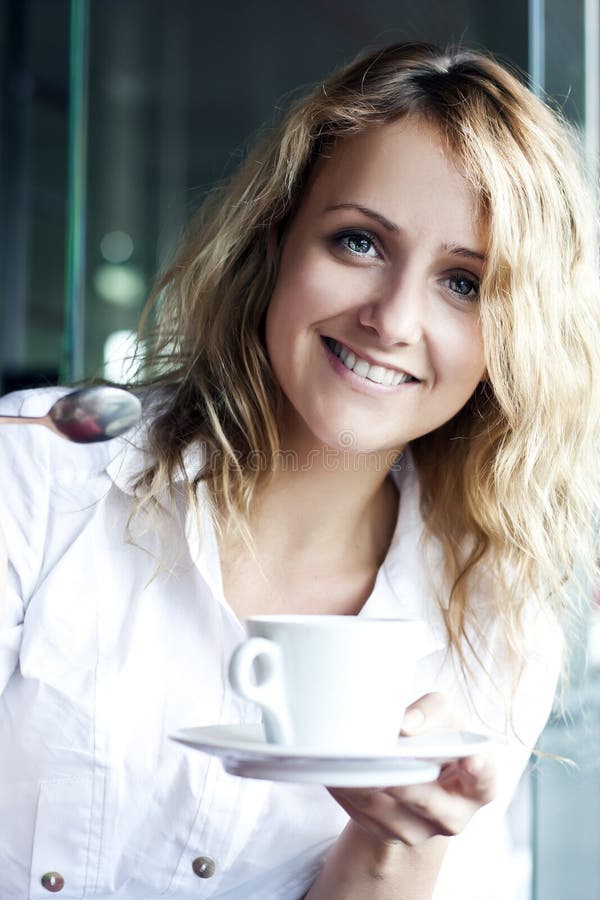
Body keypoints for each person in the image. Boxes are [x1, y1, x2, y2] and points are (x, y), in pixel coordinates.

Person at [0, 40, 598, 900]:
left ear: (515, 339)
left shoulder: (494, 620)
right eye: (358, 241)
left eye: (464, 285)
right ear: (278, 236)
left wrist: (401, 844)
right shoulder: (44, 473)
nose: (392, 319)